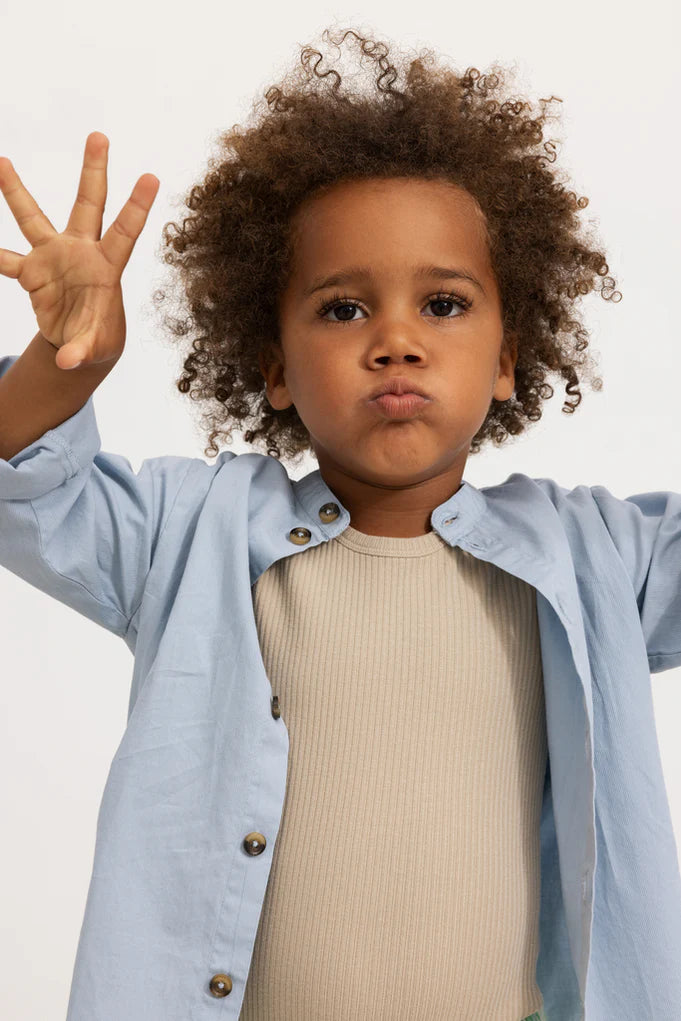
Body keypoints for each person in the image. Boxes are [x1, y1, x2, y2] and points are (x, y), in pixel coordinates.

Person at [0, 25, 679, 1021]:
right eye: (343, 310)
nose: (396, 340)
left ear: (506, 358)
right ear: (273, 367)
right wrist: (66, 369)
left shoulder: (594, 558)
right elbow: (27, 491)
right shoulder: (191, 536)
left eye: (442, 303)